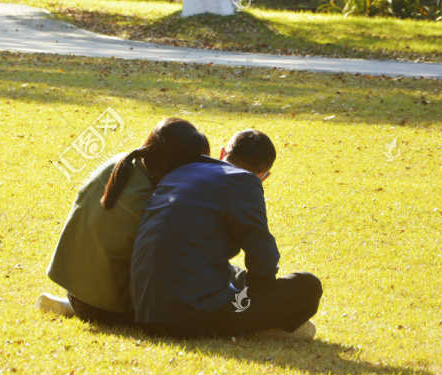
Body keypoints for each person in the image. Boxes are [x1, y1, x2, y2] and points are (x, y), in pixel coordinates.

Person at [130, 129, 322, 340]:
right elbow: (264, 264)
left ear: (222, 154)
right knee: (307, 287)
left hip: (146, 312)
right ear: (263, 177)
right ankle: (258, 324)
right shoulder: (245, 182)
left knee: (233, 273)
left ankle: (247, 307)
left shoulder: (182, 171)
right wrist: (258, 298)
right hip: (194, 319)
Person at [37, 118, 210, 325]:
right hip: (110, 308)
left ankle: (71, 306)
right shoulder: (157, 201)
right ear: (180, 167)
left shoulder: (122, 162)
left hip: (76, 290)